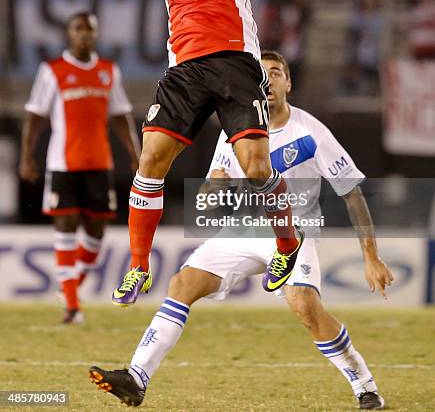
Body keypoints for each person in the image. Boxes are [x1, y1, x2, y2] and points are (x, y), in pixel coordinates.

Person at [90, 50, 393, 409]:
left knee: (305, 308)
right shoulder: (236, 131)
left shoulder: (311, 132)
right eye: (262, 74)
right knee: (182, 284)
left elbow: (352, 194)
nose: (269, 80)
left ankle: (365, 385)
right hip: (243, 230)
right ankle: (137, 377)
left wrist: (371, 257)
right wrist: (212, 188)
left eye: (277, 72)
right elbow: (210, 196)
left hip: (292, 235)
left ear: (288, 83)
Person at [102, 0, 303, 307]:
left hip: (235, 62)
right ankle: (138, 265)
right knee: (151, 158)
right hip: (184, 70)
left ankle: (287, 243)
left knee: (254, 168)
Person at [19, 12, 140, 323]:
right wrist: (27, 156)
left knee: (96, 232)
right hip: (62, 164)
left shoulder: (107, 71)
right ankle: (73, 306)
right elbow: (35, 116)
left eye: (89, 29)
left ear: (96, 34)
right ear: (68, 34)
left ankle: (71, 287)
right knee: (66, 225)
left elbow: (120, 116)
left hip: (100, 162)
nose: (84, 34)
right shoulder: (52, 71)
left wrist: (135, 152)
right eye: (78, 29)